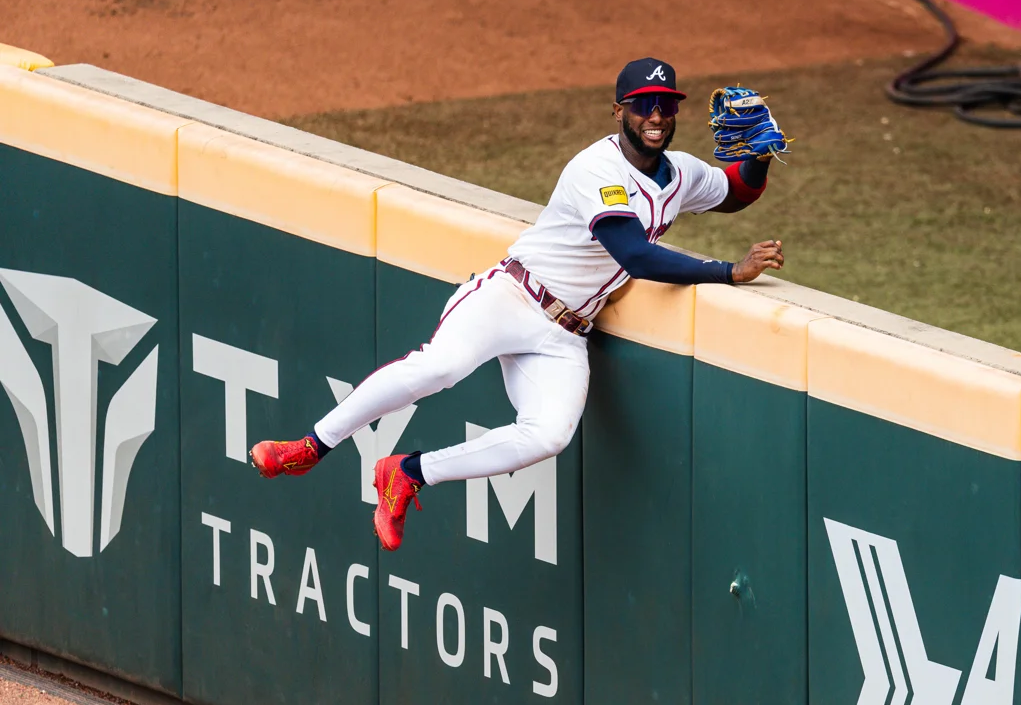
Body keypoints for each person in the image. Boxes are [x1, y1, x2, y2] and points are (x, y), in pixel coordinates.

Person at [248, 57, 785, 551]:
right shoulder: (596, 169)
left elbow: (735, 191)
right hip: (512, 295)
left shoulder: (681, 173)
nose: (656, 116)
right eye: (644, 104)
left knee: (549, 435)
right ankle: (311, 447)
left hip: (567, 334)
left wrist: (759, 157)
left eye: (666, 104)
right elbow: (634, 254)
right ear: (619, 109)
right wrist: (728, 272)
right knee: (440, 367)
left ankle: (408, 473)